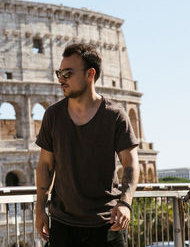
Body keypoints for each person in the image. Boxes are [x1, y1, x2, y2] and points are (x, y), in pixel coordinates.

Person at [35, 43, 139, 247]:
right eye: (59, 72)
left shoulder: (114, 115)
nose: (61, 79)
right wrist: (40, 209)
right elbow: (45, 165)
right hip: (63, 223)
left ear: (90, 74)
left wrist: (125, 203)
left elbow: (130, 163)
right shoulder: (53, 116)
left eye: (67, 73)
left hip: (107, 222)